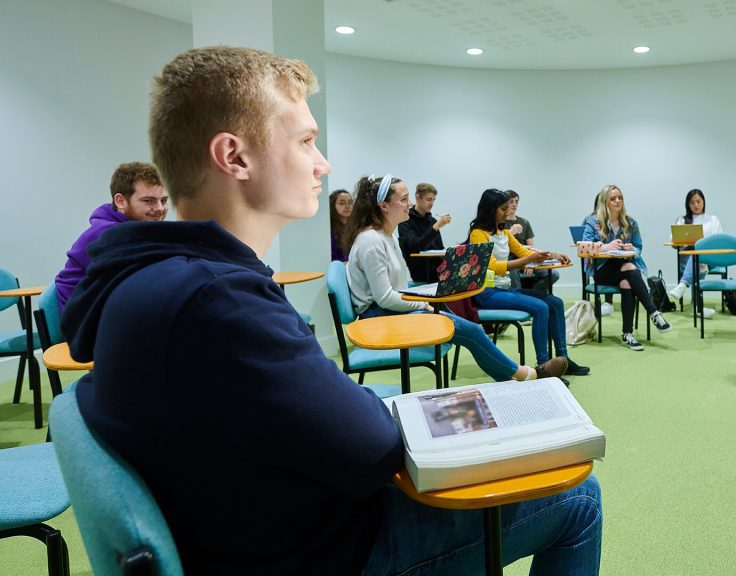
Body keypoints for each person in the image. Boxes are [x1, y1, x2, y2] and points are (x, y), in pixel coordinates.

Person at [61, 46, 601, 575]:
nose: (323, 163)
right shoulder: (217, 300)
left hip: (252, 527)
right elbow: (372, 452)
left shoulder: (151, 278)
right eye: (305, 141)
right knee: (581, 499)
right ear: (234, 156)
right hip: (316, 550)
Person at [344, 174, 567, 381]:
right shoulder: (372, 242)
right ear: (384, 206)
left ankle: (517, 377)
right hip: (379, 318)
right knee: (472, 330)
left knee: (472, 330)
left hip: (390, 311)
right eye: (404, 199)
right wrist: (424, 305)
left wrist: (423, 302)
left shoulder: (384, 237)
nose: (410, 204)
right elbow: (384, 299)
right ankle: (527, 376)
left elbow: (393, 292)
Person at [469, 189, 590, 377]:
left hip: (504, 289)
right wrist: (527, 261)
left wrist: (551, 255)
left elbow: (524, 251)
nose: (507, 212)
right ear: (491, 210)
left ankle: (563, 359)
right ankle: (544, 366)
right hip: (487, 293)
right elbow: (491, 266)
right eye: (503, 209)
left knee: (556, 303)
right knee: (541, 308)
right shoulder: (478, 234)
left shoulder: (504, 233)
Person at [54, 161, 168, 310]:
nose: (159, 209)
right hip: (84, 322)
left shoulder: (140, 231)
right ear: (120, 201)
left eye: (164, 200)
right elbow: (143, 283)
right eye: (148, 201)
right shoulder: (108, 235)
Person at [582, 185, 672, 351]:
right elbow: (585, 247)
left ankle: (627, 334)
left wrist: (631, 250)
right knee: (629, 267)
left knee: (627, 283)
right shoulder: (593, 222)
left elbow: (638, 247)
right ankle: (654, 312)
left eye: (620, 198)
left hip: (625, 270)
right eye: (613, 198)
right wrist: (606, 247)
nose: (618, 201)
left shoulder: (630, 222)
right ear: (605, 202)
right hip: (601, 270)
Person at [667, 188, 722, 318]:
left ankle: (682, 285)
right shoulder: (682, 220)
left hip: (711, 259)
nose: (696, 205)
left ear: (704, 202)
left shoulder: (712, 219)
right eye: (692, 202)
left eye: (698, 201)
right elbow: (673, 242)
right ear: (687, 204)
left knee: (699, 255)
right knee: (698, 259)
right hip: (688, 260)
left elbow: (720, 241)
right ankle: (698, 307)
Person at [502, 189, 559, 291]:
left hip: (526, 257)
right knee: (512, 272)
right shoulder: (500, 222)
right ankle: (519, 299)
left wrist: (530, 263)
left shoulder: (524, 222)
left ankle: (531, 294)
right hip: (509, 260)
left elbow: (531, 247)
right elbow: (498, 245)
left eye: (516, 201)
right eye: (511, 201)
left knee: (553, 274)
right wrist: (510, 232)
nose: (514, 204)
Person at [397, 182, 451, 283]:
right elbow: (416, 246)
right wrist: (436, 227)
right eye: (428, 199)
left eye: (433, 200)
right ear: (418, 197)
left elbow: (439, 248)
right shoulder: (405, 221)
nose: (431, 204)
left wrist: (447, 252)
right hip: (421, 273)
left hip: (439, 273)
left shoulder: (432, 221)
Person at [583, 193, 614, 317]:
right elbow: (584, 238)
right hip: (594, 255)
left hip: (611, 257)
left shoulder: (614, 220)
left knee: (612, 264)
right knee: (598, 263)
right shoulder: (590, 219)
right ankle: (601, 302)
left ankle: (608, 302)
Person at [329, 188, 353, 261]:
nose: (347, 206)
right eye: (342, 203)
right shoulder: (329, 230)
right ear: (333, 205)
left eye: (350, 202)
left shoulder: (356, 227)